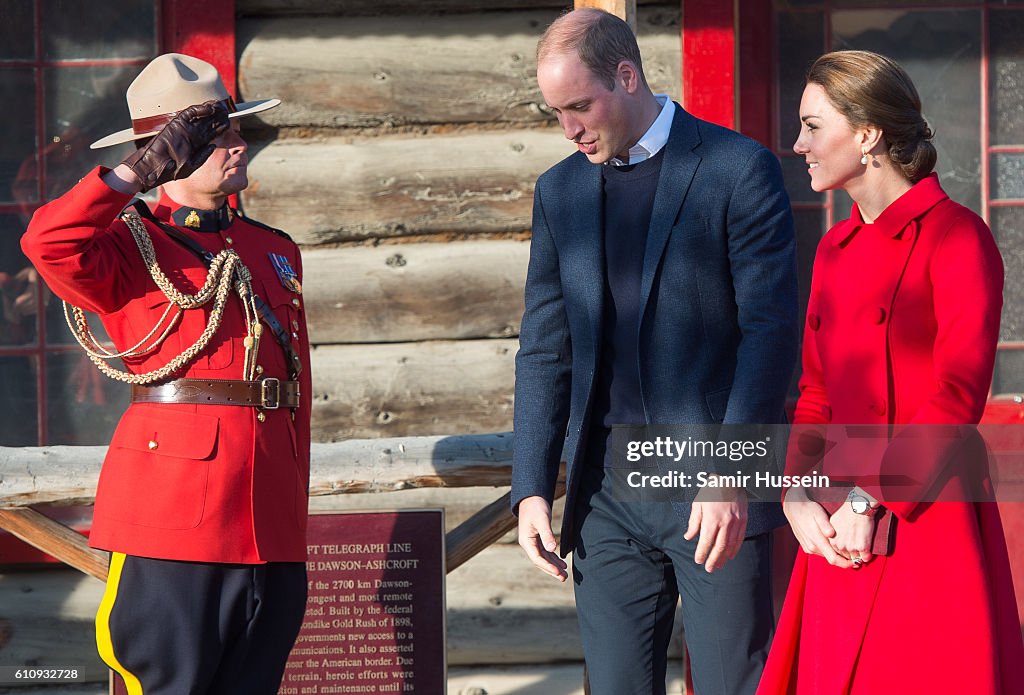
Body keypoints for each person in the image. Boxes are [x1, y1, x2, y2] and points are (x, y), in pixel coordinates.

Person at [512, 9, 799, 694]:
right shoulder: (559, 191)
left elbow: (771, 336)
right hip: (604, 495)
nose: (570, 129)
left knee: (734, 683)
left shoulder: (738, 169)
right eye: (556, 112)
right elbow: (544, 349)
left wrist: (729, 473)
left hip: (714, 482)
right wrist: (529, 487)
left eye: (580, 106)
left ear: (627, 74)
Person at [21, 53, 311, 694]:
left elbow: (295, 396)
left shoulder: (272, 249)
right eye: (217, 136)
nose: (239, 145)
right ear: (169, 153)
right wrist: (131, 174)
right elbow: (46, 243)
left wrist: (294, 508)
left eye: (236, 130)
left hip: (270, 518)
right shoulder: (126, 244)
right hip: (177, 518)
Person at [758, 50, 1024, 693]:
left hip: (924, 516)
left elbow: (956, 392)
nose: (798, 145)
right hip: (838, 529)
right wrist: (795, 493)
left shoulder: (958, 237)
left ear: (868, 134)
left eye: (813, 126)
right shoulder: (834, 249)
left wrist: (867, 497)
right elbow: (816, 389)